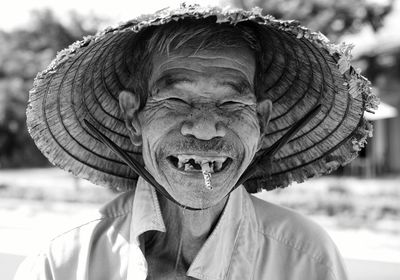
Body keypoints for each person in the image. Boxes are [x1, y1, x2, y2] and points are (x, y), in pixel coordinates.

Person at [15, 5, 378, 280]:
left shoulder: (305, 260)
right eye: (175, 100)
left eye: (232, 103)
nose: (205, 130)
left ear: (263, 122)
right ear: (133, 118)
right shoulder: (64, 261)